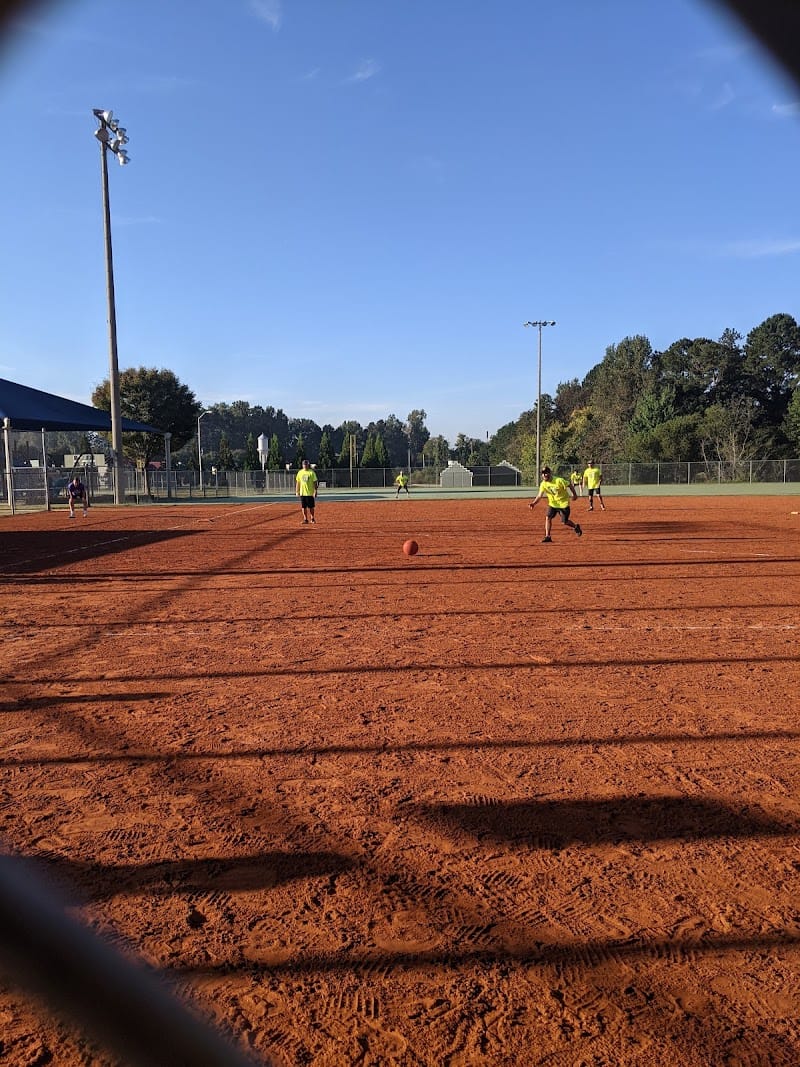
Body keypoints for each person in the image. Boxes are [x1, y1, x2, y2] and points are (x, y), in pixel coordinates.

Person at [529, 466, 582, 542]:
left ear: (550, 473)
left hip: (563, 504)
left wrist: (575, 495)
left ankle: (575, 526)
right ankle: (548, 536)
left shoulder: (559, 480)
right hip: (553, 504)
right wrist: (533, 503)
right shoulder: (543, 484)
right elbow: (539, 495)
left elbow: (569, 485)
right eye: (542, 474)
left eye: (546, 473)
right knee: (548, 517)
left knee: (565, 522)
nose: (544, 475)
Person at [295, 459, 318, 524]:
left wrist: (315, 491)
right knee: (303, 507)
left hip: (310, 493)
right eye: (304, 464)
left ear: (308, 465)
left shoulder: (311, 472)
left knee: (311, 507)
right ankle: (305, 519)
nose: (305, 465)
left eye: (306, 464)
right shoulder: (300, 472)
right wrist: (297, 491)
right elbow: (298, 482)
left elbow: (315, 482)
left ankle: (312, 518)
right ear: (302, 465)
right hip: (302, 493)